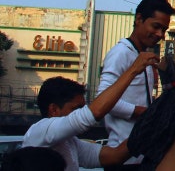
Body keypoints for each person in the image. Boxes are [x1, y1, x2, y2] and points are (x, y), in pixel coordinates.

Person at [22, 51, 159, 171]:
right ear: (54, 110)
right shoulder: (41, 130)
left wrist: (148, 126)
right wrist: (134, 70)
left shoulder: (71, 143)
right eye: (76, 108)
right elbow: (92, 114)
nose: (80, 112)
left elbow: (114, 156)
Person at [97, 0, 174, 170]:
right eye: (156, 27)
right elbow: (103, 99)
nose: (159, 34)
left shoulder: (142, 56)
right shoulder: (121, 53)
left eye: (164, 30)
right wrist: (142, 112)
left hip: (141, 157)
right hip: (124, 160)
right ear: (139, 19)